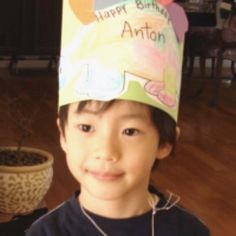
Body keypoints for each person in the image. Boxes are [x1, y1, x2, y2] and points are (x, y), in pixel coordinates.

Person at [26, 0, 210, 235]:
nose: (106, 151)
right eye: (86, 127)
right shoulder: (46, 232)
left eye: (130, 131)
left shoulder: (189, 231)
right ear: (63, 134)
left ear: (165, 142)